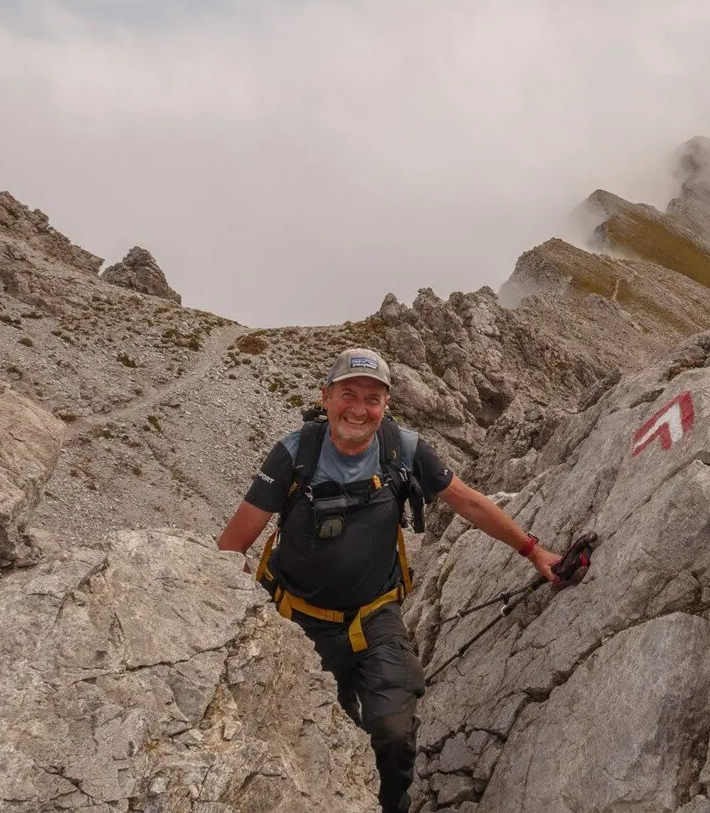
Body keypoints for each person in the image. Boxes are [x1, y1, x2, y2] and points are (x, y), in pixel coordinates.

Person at [217, 347, 562, 813]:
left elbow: (472, 504)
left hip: (375, 618)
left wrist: (533, 550)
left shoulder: (404, 449)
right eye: (348, 395)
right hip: (298, 624)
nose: (359, 409)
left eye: (372, 399)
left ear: (386, 405)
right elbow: (231, 546)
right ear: (326, 397)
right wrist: (253, 623)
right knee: (321, 739)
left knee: (394, 733)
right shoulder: (294, 454)